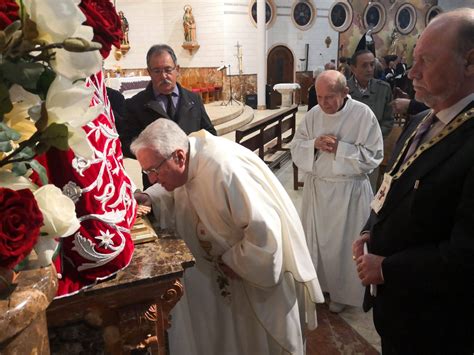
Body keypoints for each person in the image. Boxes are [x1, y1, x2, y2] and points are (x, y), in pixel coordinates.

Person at [132, 118, 324, 355]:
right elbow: (177, 188)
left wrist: (238, 261)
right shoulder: (189, 158)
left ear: (179, 157)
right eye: (147, 171)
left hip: (253, 281)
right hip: (225, 279)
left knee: (259, 344)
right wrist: (150, 197)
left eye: (153, 170)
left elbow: (266, 234)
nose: (151, 178)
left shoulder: (224, 169)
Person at [353, 8, 474, 354]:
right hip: (397, 312)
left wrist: (387, 268)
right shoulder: (422, 118)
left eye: (426, 60)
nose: (413, 72)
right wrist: (369, 229)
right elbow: (394, 182)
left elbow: (466, 255)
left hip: (436, 323)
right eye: (413, 59)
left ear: (470, 63)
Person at [291, 70, 383, 313]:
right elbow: (296, 147)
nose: (324, 104)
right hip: (318, 189)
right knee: (317, 243)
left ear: (345, 92)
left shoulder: (363, 115)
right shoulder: (313, 115)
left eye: (330, 97)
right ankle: (320, 286)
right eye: (319, 97)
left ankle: (343, 293)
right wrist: (313, 145)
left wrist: (340, 149)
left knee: (344, 247)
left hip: (348, 193)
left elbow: (374, 156)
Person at [118, 44, 216, 187]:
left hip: (191, 177)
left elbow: (210, 132)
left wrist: (191, 149)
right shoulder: (136, 104)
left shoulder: (193, 99)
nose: (163, 76)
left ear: (177, 69)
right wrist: (153, 155)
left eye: (168, 70)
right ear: (149, 72)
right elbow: (125, 142)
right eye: (157, 71)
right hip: (157, 181)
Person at [348, 49, 394, 138]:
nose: (369, 69)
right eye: (364, 66)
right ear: (353, 68)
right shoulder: (343, 90)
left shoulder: (384, 89)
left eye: (372, 65)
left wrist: (374, 136)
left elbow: (388, 120)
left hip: (375, 141)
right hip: (349, 143)